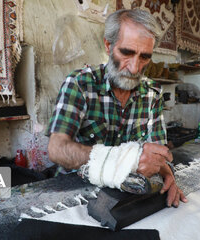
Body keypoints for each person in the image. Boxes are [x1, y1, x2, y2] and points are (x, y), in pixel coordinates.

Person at [47, 9, 187, 207]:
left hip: (126, 196)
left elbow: (159, 154)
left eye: (145, 57)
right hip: (75, 194)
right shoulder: (80, 84)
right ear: (108, 45)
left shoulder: (152, 94)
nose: (134, 68)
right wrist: (126, 159)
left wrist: (168, 174)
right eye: (127, 53)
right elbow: (57, 149)